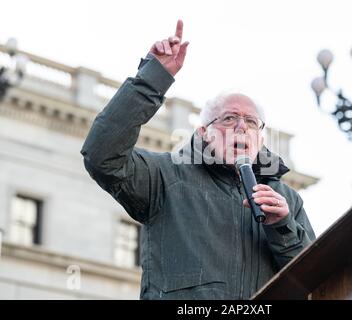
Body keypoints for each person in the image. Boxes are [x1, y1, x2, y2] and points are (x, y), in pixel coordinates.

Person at [81, 20, 315, 300]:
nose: (241, 127)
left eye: (251, 122)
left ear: (261, 139)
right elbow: (101, 156)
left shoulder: (286, 199)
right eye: (229, 118)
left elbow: (313, 280)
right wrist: (152, 78)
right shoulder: (166, 177)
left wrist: (283, 226)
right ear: (205, 133)